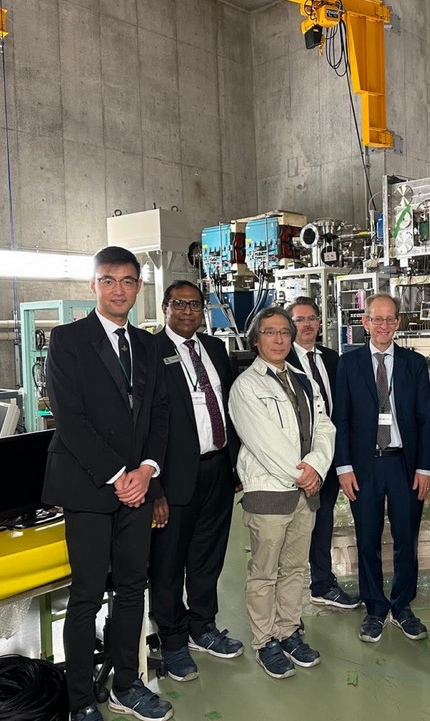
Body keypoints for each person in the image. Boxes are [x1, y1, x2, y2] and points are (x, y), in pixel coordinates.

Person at [43, 246, 173, 721]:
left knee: (132, 589)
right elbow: (70, 420)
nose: (119, 290)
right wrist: (121, 476)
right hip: (90, 488)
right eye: (108, 280)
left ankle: (126, 684)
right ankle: (80, 702)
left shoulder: (150, 345)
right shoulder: (68, 340)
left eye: (128, 281)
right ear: (93, 285)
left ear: (139, 287)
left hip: (137, 487)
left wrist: (147, 471)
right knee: (86, 595)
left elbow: (159, 412)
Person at [228, 306, 336, 679]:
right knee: (264, 572)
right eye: (269, 333)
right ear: (255, 340)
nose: (278, 340)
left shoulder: (303, 379)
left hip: (305, 491)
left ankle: (288, 630)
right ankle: (264, 640)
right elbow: (264, 442)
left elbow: (324, 425)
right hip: (271, 491)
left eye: (284, 333)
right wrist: (303, 474)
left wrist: (318, 467)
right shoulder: (246, 386)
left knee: (294, 568)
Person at [151, 280, 243, 683]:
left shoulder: (216, 349)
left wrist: (235, 465)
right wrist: (154, 489)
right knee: (168, 564)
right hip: (173, 478)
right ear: (166, 307)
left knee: (208, 557)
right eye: (179, 304)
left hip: (217, 469)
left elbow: (230, 407)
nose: (188, 311)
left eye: (195, 304)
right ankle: (172, 641)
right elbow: (142, 425)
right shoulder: (150, 352)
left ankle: (203, 627)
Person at [334, 293, 430, 643]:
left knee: (407, 539)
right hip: (364, 467)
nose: (383, 326)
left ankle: (403, 606)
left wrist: (425, 468)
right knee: (367, 540)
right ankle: (375, 608)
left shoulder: (414, 363)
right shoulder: (348, 364)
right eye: (376, 319)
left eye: (390, 319)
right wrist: (343, 466)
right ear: (364, 323)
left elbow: (425, 419)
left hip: (403, 465)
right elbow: (341, 420)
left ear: (398, 323)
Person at [285, 296, 360, 610]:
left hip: (328, 456)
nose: (307, 325)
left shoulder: (332, 358)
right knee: (289, 530)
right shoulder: (281, 358)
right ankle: (286, 600)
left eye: (312, 318)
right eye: (300, 319)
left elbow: (342, 409)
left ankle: (322, 584)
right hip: (296, 461)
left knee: (324, 521)